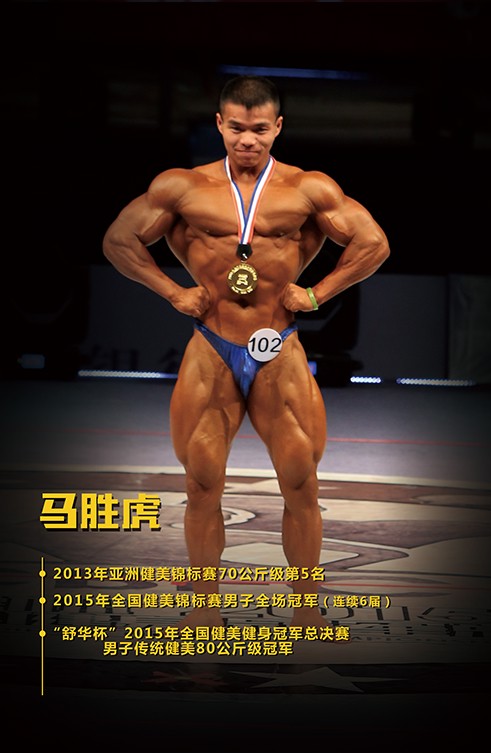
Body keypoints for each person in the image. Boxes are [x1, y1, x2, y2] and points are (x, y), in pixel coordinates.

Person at [103, 75, 390, 629]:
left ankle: (306, 610)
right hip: (211, 346)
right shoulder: (182, 187)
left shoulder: (308, 188)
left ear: (277, 127)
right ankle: (204, 608)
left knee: (301, 482)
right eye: (236, 128)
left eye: (259, 129)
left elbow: (373, 242)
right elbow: (118, 240)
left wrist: (317, 294)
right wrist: (172, 292)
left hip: (278, 346)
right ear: (219, 124)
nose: (248, 140)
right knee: (201, 483)